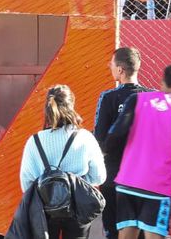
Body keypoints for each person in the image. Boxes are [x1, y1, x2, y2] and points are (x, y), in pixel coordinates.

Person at [105, 63, 171, 239]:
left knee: (126, 235)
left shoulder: (137, 100)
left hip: (128, 182)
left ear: (162, 80)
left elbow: (115, 134)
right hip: (157, 188)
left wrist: (108, 154)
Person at [17, 84, 106, 239]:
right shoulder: (85, 138)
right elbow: (99, 176)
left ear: (47, 110)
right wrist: (78, 182)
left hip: (44, 211)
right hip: (78, 207)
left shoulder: (34, 141)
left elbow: (26, 184)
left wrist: (49, 187)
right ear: (71, 106)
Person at [94, 48, 149, 239]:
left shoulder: (109, 98)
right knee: (142, 231)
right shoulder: (153, 97)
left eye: (112, 63)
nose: (109, 66)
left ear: (120, 70)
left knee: (114, 231)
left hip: (114, 178)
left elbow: (99, 139)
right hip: (145, 178)